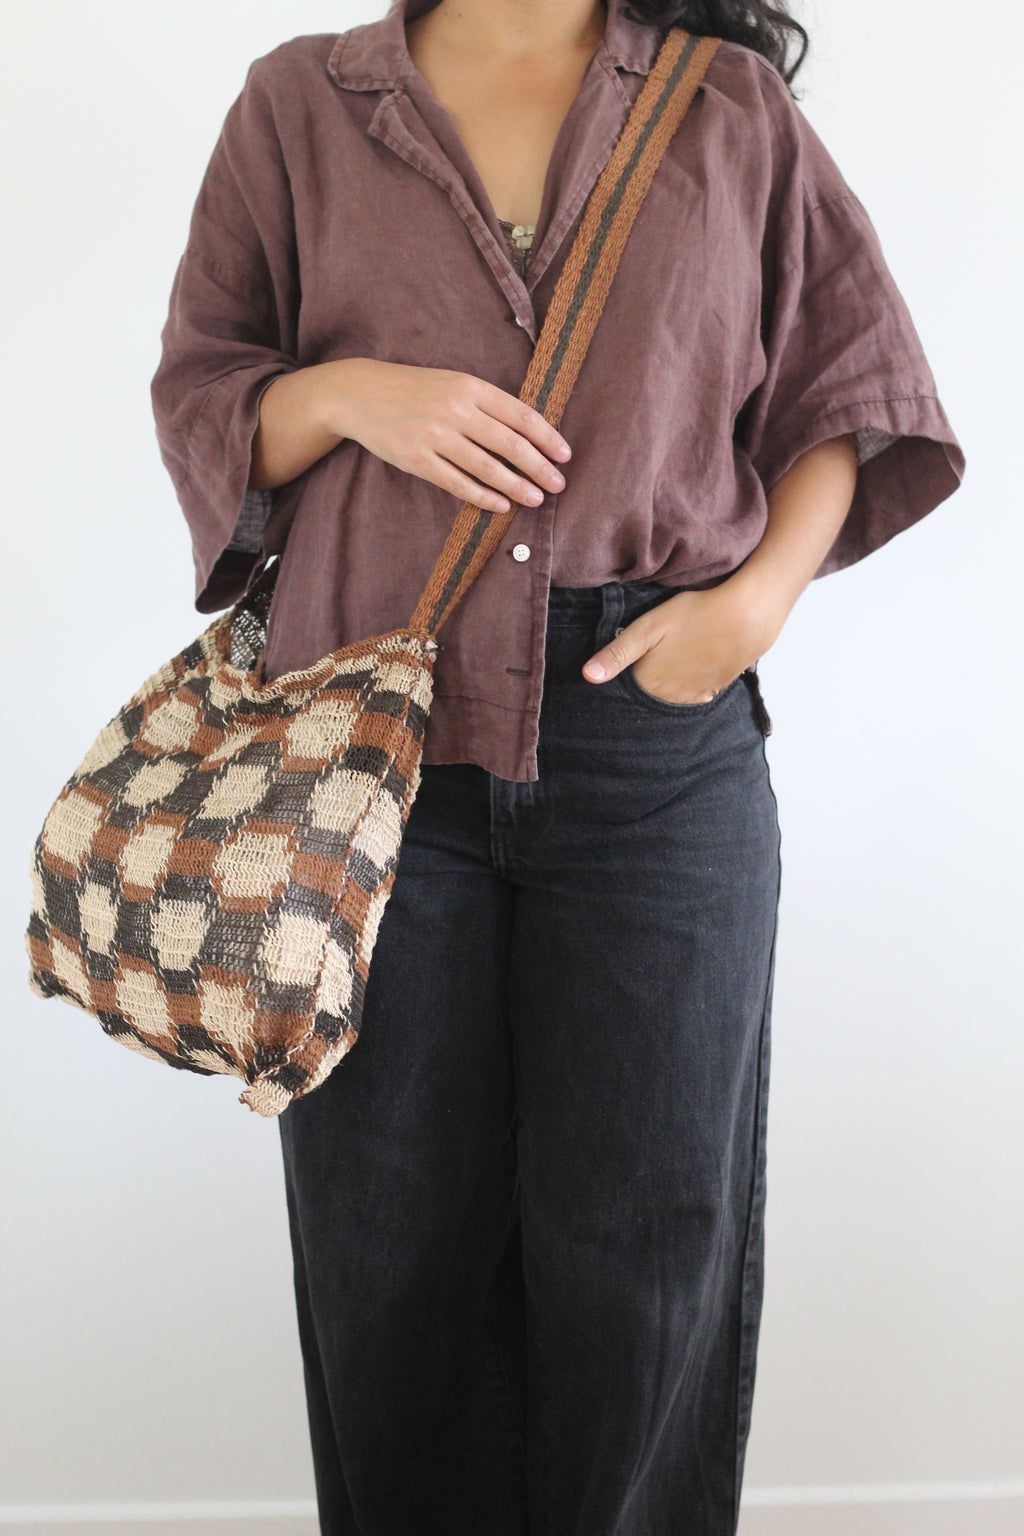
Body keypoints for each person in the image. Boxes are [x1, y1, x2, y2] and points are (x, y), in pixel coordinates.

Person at [149, 0, 966, 1530]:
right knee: (387, 1246)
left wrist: (752, 610)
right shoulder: (300, 103)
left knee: (645, 1249)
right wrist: (349, 392)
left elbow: (847, 392)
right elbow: (203, 389)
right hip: (370, 745)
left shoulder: (726, 108)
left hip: (653, 740)